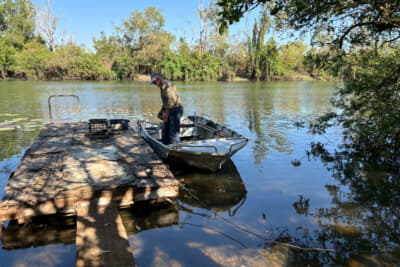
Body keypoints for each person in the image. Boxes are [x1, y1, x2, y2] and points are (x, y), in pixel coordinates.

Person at [150, 72, 183, 145]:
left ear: (158, 78)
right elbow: (166, 102)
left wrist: (166, 114)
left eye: (155, 82)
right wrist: (161, 111)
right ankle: (166, 146)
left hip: (175, 110)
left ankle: (176, 147)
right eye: (153, 83)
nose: (155, 84)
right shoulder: (162, 86)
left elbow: (172, 101)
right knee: (165, 130)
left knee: (173, 132)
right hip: (169, 109)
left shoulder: (167, 85)